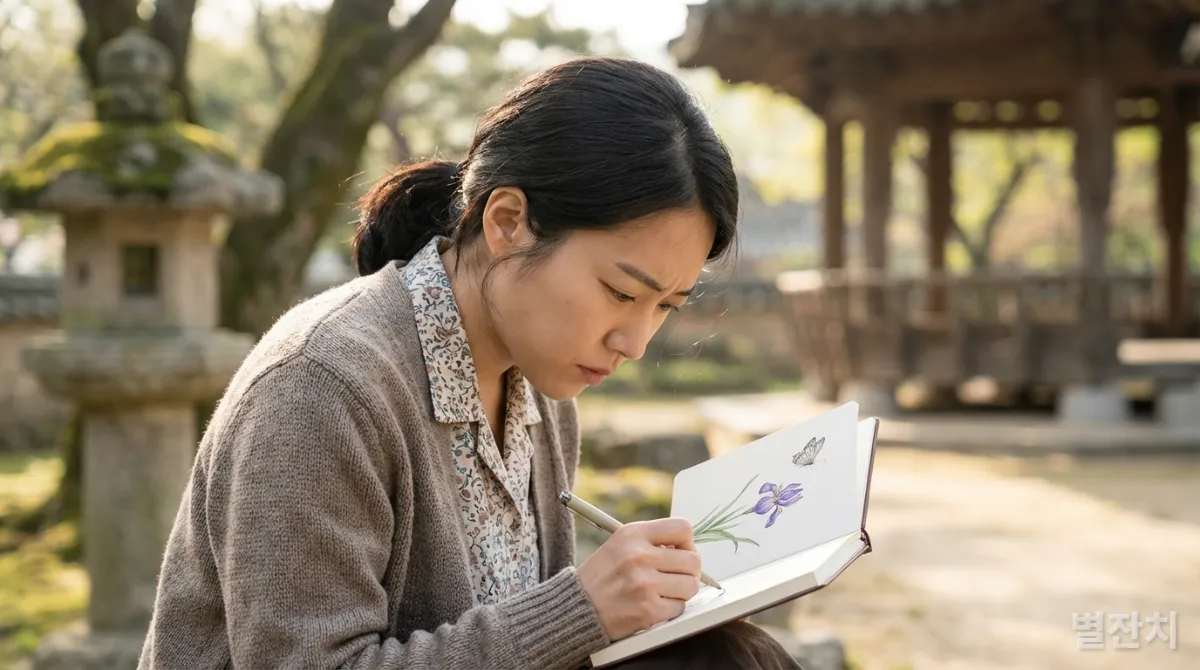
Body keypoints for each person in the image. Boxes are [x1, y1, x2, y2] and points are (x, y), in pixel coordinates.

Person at [139, 56, 800, 670]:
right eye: (621, 293)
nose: (635, 341)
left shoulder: (541, 387)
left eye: (666, 307)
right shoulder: (321, 385)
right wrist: (575, 611)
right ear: (507, 221)